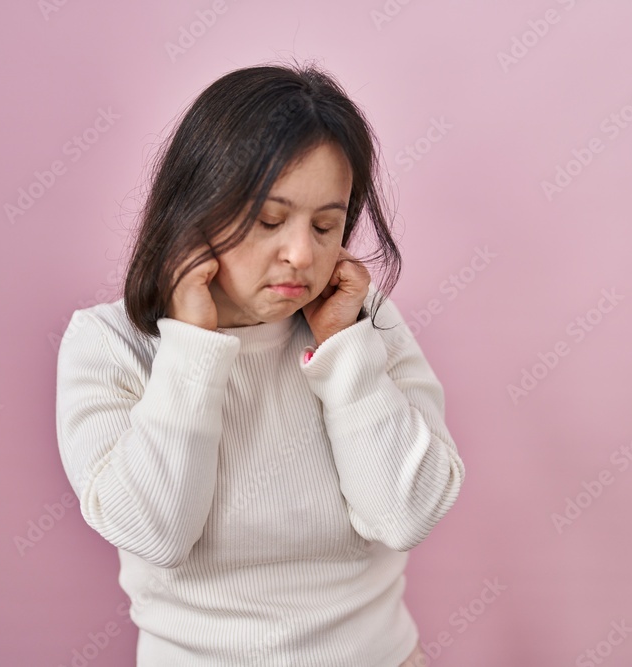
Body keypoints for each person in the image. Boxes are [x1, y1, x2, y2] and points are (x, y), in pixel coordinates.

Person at [55, 61, 464, 666]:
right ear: (197, 210)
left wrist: (343, 348)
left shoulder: (364, 321)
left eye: (325, 226)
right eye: (270, 221)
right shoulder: (110, 344)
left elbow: (405, 515)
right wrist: (192, 345)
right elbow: (154, 532)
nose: (301, 253)